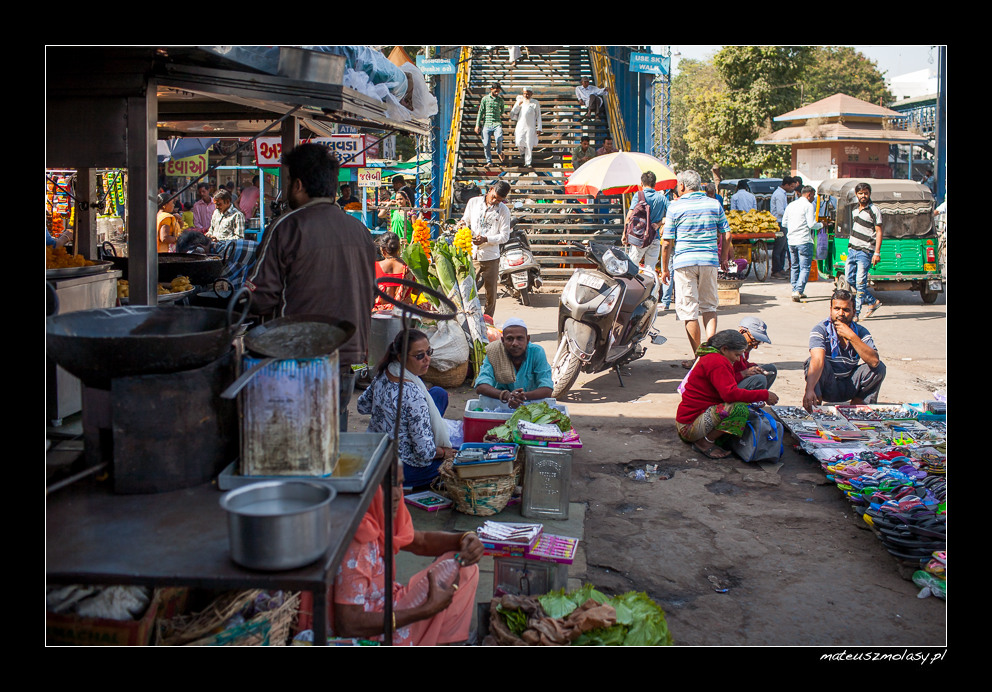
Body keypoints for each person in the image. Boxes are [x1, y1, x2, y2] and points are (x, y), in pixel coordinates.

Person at [246, 142, 375, 432]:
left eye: (288, 182)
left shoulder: (286, 226)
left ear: (299, 184)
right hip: (351, 357)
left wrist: (237, 300)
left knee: (295, 436)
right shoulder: (359, 229)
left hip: (298, 357)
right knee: (333, 431)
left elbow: (261, 297)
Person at [327, 469, 482, 645]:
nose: (396, 494)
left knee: (465, 566)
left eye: (399, 483)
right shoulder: (359, 539)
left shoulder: (379, 514)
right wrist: (426, 610)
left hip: (388, 605)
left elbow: (420, 541)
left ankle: (439, 639)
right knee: (463, 573)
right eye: (386, 485)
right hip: (372, 634)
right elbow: (348, 625)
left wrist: (464, 538)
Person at [357, 329, 456, 487]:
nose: (427, 359)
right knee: (456, 465)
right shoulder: (413, 395)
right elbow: (424, 454)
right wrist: (444, 453)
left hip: (375, 452)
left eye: (428, 352)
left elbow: (362, 405)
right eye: (419, 356)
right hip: (400, 468)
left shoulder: (384, 373)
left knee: (438, 394)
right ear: (400, 357)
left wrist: (387, 409)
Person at [661, 169, 732, 368]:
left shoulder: (675, 207)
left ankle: (700, 358)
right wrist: (723, 257)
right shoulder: (714, 204)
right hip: (709, 261)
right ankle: (713, 355)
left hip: (684, 263)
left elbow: (667, 243)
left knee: (689, 311)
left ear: (682, 186)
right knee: (709, 307)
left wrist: (664, 268)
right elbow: (727, 235)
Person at [676, 330, 779, 459]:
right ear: (725, 349)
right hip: (689, 427)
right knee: (739, 409)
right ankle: (704, 443)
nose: (737, 359)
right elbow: (730, 395)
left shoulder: (715, 357)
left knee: (740, 406)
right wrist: (764, 394)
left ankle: (711, 437)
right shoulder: (717, 362)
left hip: (691, 419)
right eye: (736, 355)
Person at [803, 289, 886, 411]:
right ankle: (815, 409)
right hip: (828, 385)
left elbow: (874, 361)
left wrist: (851, 336)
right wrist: (809, 390)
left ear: (853, 312)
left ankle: (858, 411)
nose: (841, 313)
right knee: (812, 362)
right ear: (831, 310)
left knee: (879, 367)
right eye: (837, 309)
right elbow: (817, 361)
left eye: (846, 310)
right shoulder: (820, 330)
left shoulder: (860, 332)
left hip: (849, 385)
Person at [474, 318, 553, 410]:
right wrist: (505, 395)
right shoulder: (494, 352)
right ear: (503, 341)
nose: (515, 343)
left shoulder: (537, 352)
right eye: (510, 339)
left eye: (519, 338)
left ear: (527, 339)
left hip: (532, 407)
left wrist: (521, 396)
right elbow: (481, 386)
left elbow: (547, 389)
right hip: (501, 406)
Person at [460, 180, 511, 318]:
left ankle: (488, 321)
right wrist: (462, 224)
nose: (495, 201)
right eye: (493, 197)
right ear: (490, 189)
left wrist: (486, 239)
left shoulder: (504, 210)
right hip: (473, 254)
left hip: (491, 256)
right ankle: (469, 318)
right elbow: (465, 220)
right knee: (468, 290)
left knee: (491, 293)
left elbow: (505, 236)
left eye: (499, 200)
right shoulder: (473, 202)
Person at [845, 181, 883, 320]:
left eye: (866, 193)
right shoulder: (855, 210)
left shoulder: (874, 210)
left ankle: (857, 313)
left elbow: (879, 232)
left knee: (860, 282)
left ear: (869, 194)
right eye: (860, 193)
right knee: (850, 278)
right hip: (852, 250)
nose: (863, 196)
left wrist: (877, 253)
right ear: (856, 194)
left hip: (865, 251)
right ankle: (872, 302)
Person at [623, 170, 668, 272]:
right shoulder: (662, 198)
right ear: (655, 184)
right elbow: (672, 215)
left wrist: (624, 234)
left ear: (641, 183)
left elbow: (629, 217)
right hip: (655, 237)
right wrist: (659, 224)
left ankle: (634, 287)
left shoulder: (638, 195)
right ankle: (649, 287)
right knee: (650, 269)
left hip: (639, 237)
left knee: (631, 267)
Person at [783, 185, 818, 302]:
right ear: (809, 194)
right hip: (803, 240)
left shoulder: (791, 205)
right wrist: (822, 225)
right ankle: (798, 290)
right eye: (813, 195)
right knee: (805, 267)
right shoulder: (808, 205)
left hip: (791, 240)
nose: (814, 198)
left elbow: (784, 223)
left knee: (794, 265)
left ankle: (795, 290)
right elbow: (811, 225)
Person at [373, 231, 415, 313]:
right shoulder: (408, 268)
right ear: (399, 248)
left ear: (382, 249)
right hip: (403, 314)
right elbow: (415, 291)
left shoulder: (374, 267)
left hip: (379, 314)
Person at [734, 316, 777, 390]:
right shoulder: (730, 351)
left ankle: (758, 398)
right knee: (759, 379)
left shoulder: (744, 350)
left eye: (759, 342)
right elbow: (722, 381)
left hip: (738, 379)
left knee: (771, 369)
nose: (755, 347)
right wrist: (745, 373)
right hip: (728, 388)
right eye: (754, 341)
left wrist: (755, 367)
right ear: (742, 332)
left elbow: (743, 365)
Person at [770, 176, 796, 279]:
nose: (792, 189)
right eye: (791, 186)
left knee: (784, 247)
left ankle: (780, 268)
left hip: (783, 223)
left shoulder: (782, 193)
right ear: (786, 185)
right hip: (779, 223)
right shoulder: (779, 194)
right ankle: (775, 270)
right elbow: (780, 211)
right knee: (779, 247)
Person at [475, 82, 506, 167]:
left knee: (499, 138)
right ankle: (489, 161)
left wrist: (499, 114)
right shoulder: (485, 99)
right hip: (486, 124)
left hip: (497, 123)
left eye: (498, 91)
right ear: (491, 89)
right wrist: (477, 125)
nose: (497, 93)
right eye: (495, 91)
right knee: (486, 144)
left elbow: (503, 109)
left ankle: (499, 151)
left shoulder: (500, 100)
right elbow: (480, 112)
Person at [510, 88, 542, 168]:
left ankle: (528, 162)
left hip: (530, 128)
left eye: (527, 94)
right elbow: (512, 114)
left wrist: (539, 128)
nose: (526, 95)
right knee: (519, 141)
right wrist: (518, 105)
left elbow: (539, 116)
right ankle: (522, 153)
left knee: (528, 144)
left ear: (531, 94)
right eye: (524, 93)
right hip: (520, 126)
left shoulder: (535, 103)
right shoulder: (520, 101)